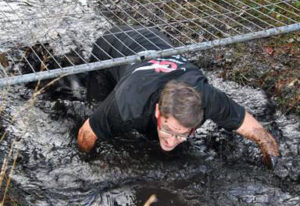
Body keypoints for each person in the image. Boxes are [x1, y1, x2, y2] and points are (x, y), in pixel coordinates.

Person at [77, 26, 279, 168]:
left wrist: (270, 155)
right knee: (93, 110)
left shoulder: (208, 98)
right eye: (168, 130)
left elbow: (254, 129)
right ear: (158, 111)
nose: (172, 141)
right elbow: (87, 132)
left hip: (152, 39)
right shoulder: (127, 105)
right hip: (111, 48)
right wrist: (91, 164)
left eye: (182, 134)